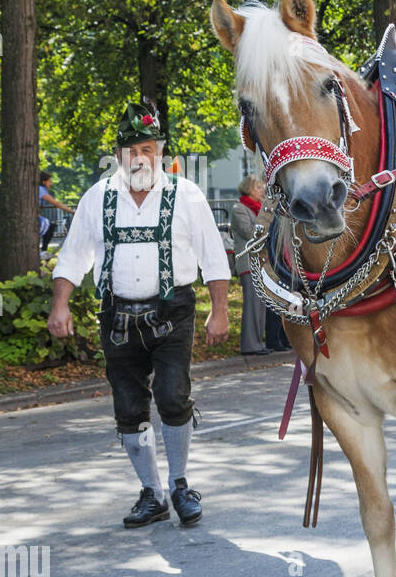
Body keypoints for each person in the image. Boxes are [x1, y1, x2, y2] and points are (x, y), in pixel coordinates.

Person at [47, 99, 231, 528]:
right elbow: (73, 258)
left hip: (173, 314)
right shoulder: (97, 198)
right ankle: (152, 493)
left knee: (171, 396)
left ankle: (180, 484)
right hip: (116, 318)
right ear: (118, 156)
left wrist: (218, 311)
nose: (140, 157)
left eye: (148, 148)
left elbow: (213, 257)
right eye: (132, 150)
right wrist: (60, 304)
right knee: (129, 407)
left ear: (161, 153)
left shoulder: (187, 195)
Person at [229, 174, 269, 355]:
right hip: (248, 264)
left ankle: (258, 343)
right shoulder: (239, 209)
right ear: (249, 189)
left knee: (260, 307)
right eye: (258, 188)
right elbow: (249, 233)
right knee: (252, 306)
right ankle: (249, 345)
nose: (262, 191)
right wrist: (266, 224)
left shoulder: (258, 209)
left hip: (260, 264)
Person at [38, 171, 74, 252]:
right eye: (49, 181)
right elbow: (56, 203)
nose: (51, 184)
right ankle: (43, 251)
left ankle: (43, 251)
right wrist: (72, 211)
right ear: (44, 182)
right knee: (51, 226)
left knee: (50, 226)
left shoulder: (39, 189)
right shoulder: (41, 190)